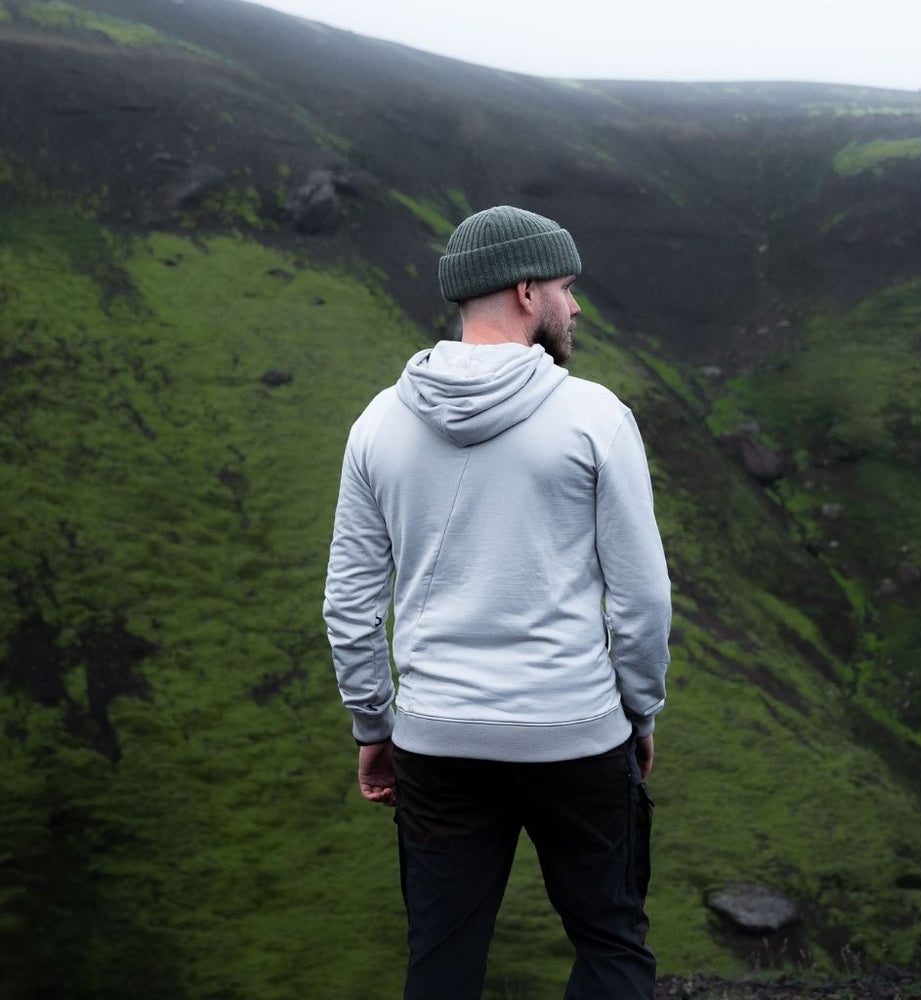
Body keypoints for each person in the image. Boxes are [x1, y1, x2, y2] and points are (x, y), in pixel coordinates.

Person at [323, 205, 671, 999]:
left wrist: (373, 723)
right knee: (612, 944)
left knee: (441, 962)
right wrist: (638, 713)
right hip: (576, 735)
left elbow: (349, 600)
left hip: (436, 740)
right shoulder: (595, 417)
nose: (575, 307)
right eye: (565, 287)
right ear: (525, 291)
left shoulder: (378, 423)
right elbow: (643, 599)